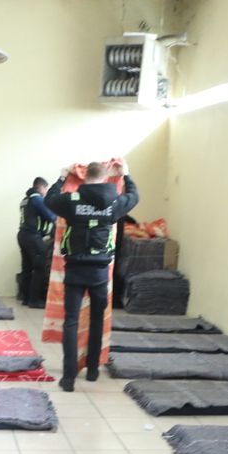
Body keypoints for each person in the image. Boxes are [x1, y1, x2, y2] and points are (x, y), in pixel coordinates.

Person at [43, 159, 139, 391]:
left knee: (71, 321)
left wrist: (62, 177)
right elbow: (134, 196)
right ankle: (93, 370)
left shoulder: (71, 200)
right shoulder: (115, 202)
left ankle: (68, 378)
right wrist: (126, 175)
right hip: (100, 273)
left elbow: (49, 199)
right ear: (105, 177)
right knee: (96, 320)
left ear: (85, 178)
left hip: (75, 270)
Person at [15, 176, 57, 307]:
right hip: (33, 237)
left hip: (22, 235)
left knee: (27, 268)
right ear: (42, 187)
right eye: (46, 189)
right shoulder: (37, 199)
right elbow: (51, 216)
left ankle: (25, 298)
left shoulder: (25, 200)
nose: (46, 192)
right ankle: (34, 300)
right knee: (40, 267)